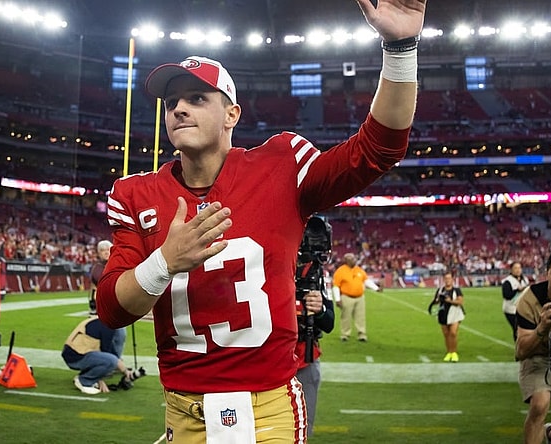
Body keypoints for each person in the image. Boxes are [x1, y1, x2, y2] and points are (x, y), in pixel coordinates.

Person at [96, 1, 425, 440]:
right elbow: (112, 310)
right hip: (184, 408)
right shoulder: (136, 194)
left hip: (269, 404)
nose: (178, 109)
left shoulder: (281, 164)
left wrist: (400, 46)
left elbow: (378, 149)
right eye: (172, 101)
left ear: (231, 114)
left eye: (197, 98)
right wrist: (165, 262)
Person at [514, 250, 551, 444]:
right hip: (538, 354)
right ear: (546, 274)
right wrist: (542, 328)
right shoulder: (530, 299)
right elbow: (521, 351)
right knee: (540, 404)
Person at [295, 287, 335, 437]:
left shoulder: (312, 274)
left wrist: (320, 310)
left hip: (304, 358)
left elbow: (329, 322)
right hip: (268, 360)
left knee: (302, 430)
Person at [61, 315, 131, 395]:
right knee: (112, 361)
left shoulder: (101, 320)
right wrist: (99, 378)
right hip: (75, 358)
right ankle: (84, 381)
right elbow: (106, 352)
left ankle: (93, 374)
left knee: (113, 358)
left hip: (76, 353)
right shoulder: (107, 326)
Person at [333, 253, 381, 342]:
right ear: (346, 261)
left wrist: (376, 288)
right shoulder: (340, 271)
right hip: (346, 296)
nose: (354, 260)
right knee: (345, 316)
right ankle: (345, 334)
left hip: (360, 297)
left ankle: (362, 334)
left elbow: (366, 280)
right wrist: (337, 299)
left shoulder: (359, 270)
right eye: (352, 259)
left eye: (354, 258)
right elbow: (336, 286)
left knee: (360, 316)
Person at [428, 271, 465, 362]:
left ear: (452, 279)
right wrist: (437, 300)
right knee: (446, 334)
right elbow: (436, 301)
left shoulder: (457, 290)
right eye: (446, 278)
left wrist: (450, 301)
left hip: (454, 313)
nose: (448, 280)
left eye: (449, 278)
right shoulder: (440, 290)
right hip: (443, 313)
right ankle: (449, 352)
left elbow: (460, 302)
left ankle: (454, 352)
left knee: (453, 333)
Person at [503, 262, 529, 341]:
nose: (518, 270)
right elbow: (507, 295)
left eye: (519, 268)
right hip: (511, 310)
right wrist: (517, 290)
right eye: (515, 268)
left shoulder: (525, 279)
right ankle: (519, 347)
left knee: (523, 329)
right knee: (517, 328)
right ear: (511, 270)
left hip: (522, 309)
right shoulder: (508, 281)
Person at [88, 240, 112, 315]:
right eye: (102, 250)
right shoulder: (96, 268)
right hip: (101, 305)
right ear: (99, 253)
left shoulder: (117, 265)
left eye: (108, 249)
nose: (106, 252)